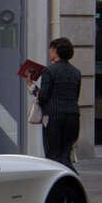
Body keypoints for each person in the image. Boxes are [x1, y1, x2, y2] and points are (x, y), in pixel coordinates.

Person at [26, 37, 81, 173]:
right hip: (73, 116)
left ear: (55, 51)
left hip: (53, 117)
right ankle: (72, 182)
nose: (49, 52)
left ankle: (62, 186)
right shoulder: (76, 72)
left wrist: (31, 85)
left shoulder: (49, 71)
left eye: (51, 50)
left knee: (53, 156)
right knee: (65, 155)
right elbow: (76, 96)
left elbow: (43, 97)